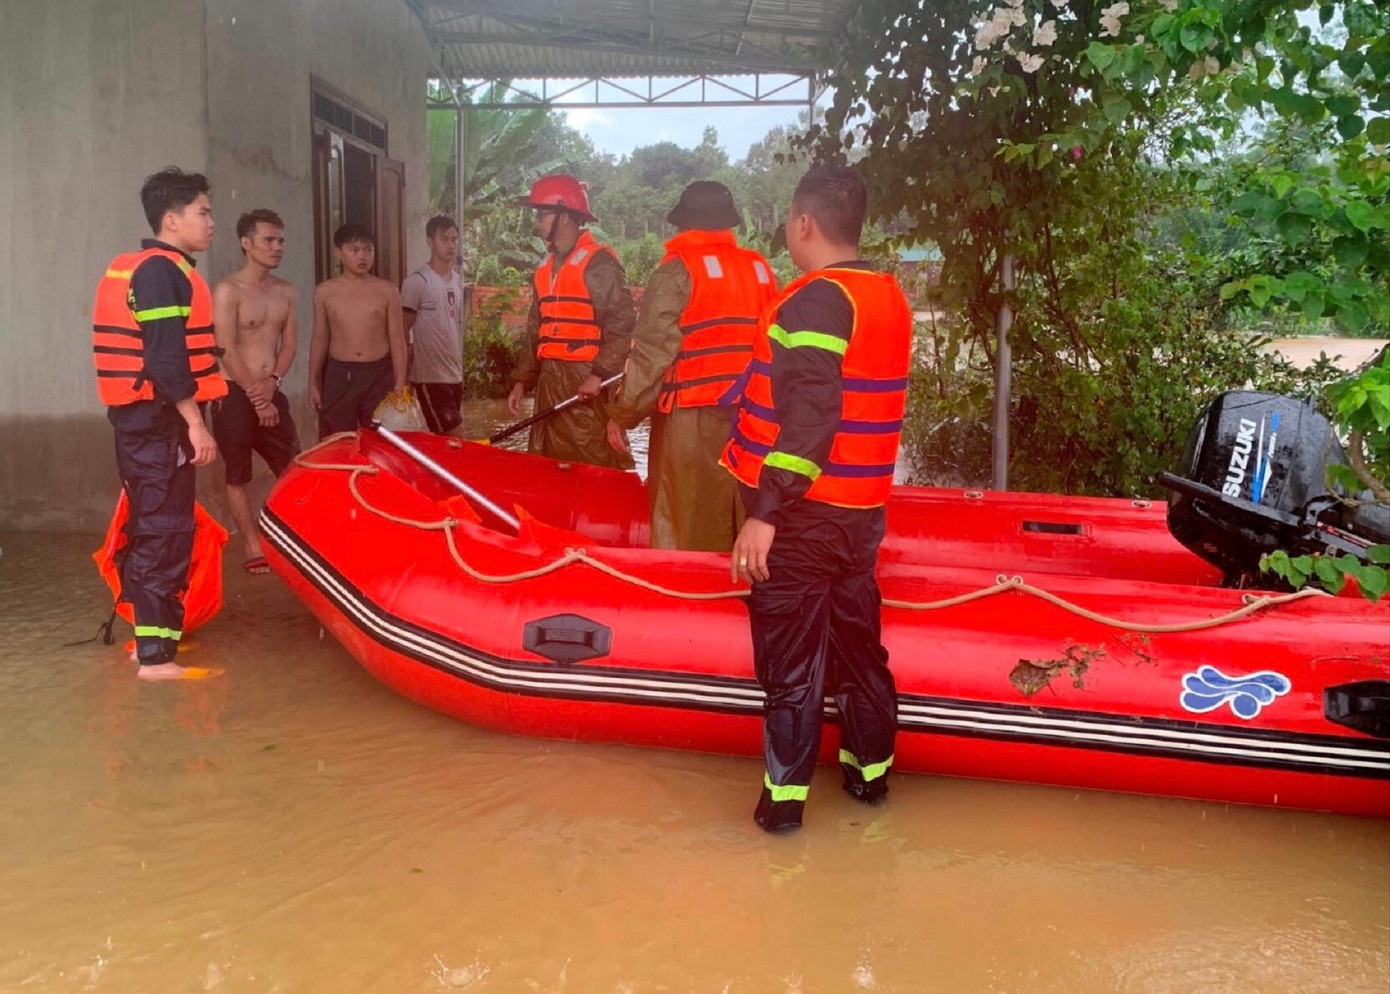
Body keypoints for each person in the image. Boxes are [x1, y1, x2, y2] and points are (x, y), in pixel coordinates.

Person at [721, 164, 914, 833]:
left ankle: (782, 811)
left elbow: (812, 418)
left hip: (805, 517)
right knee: (860, 653)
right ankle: (870, 782)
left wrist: (765, 514)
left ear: (803, 224)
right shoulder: (884, 293)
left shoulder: (815, 301)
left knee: (794, 666)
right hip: (861, 517)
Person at [91, 167, 227, 681]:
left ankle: (155, 642)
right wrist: (196, 423)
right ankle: (154, 661)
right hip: (161, 425)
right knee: (164, 531)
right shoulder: (160, 272)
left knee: (159, 527)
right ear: (171, 220)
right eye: (203, 212)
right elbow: (167, 359)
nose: (212, 222)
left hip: (146, 424)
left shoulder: (153, 269)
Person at [605, 181, 778, 550]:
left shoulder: (676, 271)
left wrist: (622, 413)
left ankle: (684, 590)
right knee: (741, 510)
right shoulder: (760, 270)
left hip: (691, 420)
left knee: (681, 519)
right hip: (754, 420)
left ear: (685, 225)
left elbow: (651, 355)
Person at [507, 175, 635, 470]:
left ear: (564, 217)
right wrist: (521, 381)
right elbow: (534, 330)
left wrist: (599, 374)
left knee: (591, 457)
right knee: (547, 459)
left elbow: (623, 324)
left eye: (543, 214)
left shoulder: (599, 263)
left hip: (585, 378)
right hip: (550, 378)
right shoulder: (546, 267)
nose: (538, 222)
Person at [211, 209, 300, 574]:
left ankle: (297, 540)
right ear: (246, 244)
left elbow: (291, 344)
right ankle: (251, 545)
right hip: (234, 392)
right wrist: (255, 395)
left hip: (269, 387)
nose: (277, 247)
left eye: (280, 240)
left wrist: (273, 382)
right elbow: (226, 348)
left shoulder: (286, 292)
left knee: (294, 468)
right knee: (237, 474)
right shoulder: (228, 290)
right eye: (269, 240)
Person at [309, 224, 407, 440]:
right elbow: (320, 338)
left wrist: (400, 382)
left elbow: (397, 339)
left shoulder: (387, 290)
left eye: (368, 249)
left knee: (381, 441)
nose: (362, 256)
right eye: (354, 250)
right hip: (339, 373)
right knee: (335, 440)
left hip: (379, 374)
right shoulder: (325, 291)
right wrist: (313, 383)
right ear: (339, 252)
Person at [402, 215, 466, 434]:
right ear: (430, 242)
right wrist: (402, 379)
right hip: (430, 377)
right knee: (457, 437)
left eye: (454, 239)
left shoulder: (457, 281)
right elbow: (402, 330)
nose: (451, 245)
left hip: (454, 374)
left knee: (445, 444)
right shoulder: (418, 281)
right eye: (444, 239)